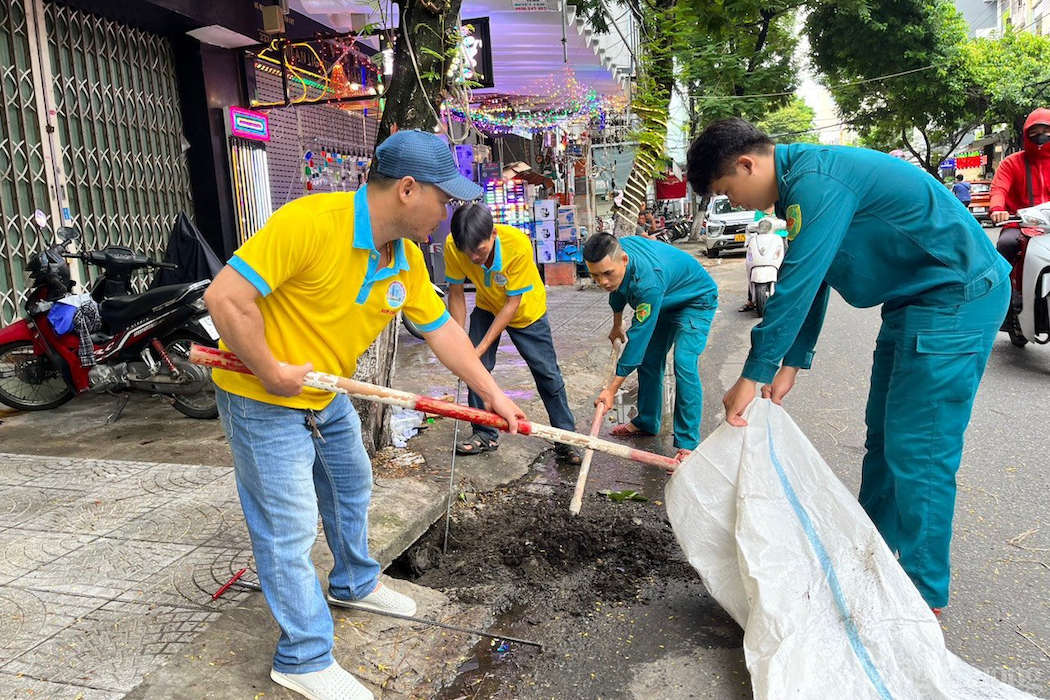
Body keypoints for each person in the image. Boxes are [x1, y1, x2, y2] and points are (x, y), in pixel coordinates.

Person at [204, 130, 525, 700]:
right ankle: (302, 658)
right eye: (443, 198)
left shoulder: (404, 260)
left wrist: (491, 393)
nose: (448, 211)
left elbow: (443, 330)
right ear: (407, 189)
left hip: (325, 394)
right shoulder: (309, 223)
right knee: (290, 528)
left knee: (351, 484)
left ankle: (353, 582)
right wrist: (273, 370)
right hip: (261, 397)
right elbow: (226, 297)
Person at [686, 118, 1010, 615]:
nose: (739, 205)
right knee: (882, 437)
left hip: (955, 298)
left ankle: (921, 597)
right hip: (915, 303)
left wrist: (753, 373)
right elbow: (814, 273)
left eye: (730, 190)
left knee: (918, 447)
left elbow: (798, 278)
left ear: (748, 164)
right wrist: (791, 361)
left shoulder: (817, 181)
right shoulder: (801, 184)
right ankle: (875, 559)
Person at [444, 202, 581, 465]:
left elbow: (511, 305)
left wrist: (480, 347)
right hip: (486, 303)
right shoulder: (454, 244)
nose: (473, 258)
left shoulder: (517, 244)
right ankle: (484, 434)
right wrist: (458, 338)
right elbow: (457, 293)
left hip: (525, 311)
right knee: (476, 369)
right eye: (468, 253)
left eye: (480, 251)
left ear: (493, 234)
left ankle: (566, 439)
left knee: (547, 373)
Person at [583, 233, 718, 458]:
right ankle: (646, 421)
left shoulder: (647, 282)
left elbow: (637, 340)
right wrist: (617, 325)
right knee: (649, 361)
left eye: (607, 274)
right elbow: (616, 293)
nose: (602, 282)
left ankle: (688, 444)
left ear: (624, 260)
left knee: (684, 362)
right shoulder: (615, 256)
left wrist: (611, 391)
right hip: (665, 299)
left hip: (696, 299)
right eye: (594, 275)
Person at [989, 108, 1050, 268]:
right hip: (1019, 225)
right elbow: (999, 189)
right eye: (1034, 132)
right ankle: (1003, 290)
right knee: (1006, 244)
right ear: (1026, 134)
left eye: (1046, 130)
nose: (1041, 135)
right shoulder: (1011, 163)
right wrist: (997, 209)